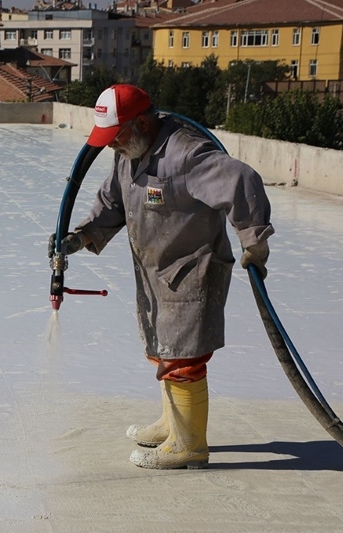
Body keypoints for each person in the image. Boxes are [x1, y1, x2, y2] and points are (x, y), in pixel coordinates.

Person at [48, 84, 273, 469]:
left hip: (192, 270)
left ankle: (189, 445)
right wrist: (82, 235)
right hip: (156, 272)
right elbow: (112, 201)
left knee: (185, 358)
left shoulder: (185, 153)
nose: (112, 146)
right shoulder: (129, 152)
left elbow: (241, 180)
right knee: (164, 351)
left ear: (142, 122)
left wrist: (255, 241)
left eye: (116, 137)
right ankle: (172, 424)